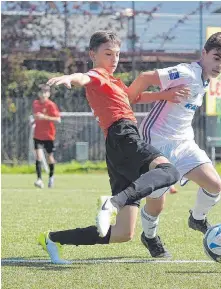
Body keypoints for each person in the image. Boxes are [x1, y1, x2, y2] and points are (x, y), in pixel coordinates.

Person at [38, 30, 189, 264]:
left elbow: (133, 97)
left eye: (117, 54)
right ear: (93, 54)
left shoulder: (114, 81)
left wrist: (164, 95)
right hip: (123, 136)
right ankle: (113, 202)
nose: (114, 59)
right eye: (108, 53)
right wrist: (71, 77)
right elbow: (84, 77)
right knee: (170, 172)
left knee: (122, 234)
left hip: (117, 147)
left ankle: (52, 238)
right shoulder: (97, 74)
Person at [99, 32, 221, 258]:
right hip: (157, 144)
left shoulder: (204, 79)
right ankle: (150, 237)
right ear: (203, 53)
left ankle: (197, 218)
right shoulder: (186, 72)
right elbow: (144, 77)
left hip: (183, 142)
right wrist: (161, 95)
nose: (219, 65)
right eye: (215, 58)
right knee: (156, 207)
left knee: (214, 185)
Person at [32, 84, 61, 189]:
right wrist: (34, 120)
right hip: (37, 135)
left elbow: (58, 119)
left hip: (49, 135)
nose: (43, 94)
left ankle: (51, 177)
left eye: (45, 92)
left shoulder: (51, 105)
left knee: (50, 157)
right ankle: (39, 179)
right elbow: (36, 116)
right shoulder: (35, 103)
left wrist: (44, 117)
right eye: (41, 92)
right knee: (38, 156)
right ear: (38, 94)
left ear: (48, 94)